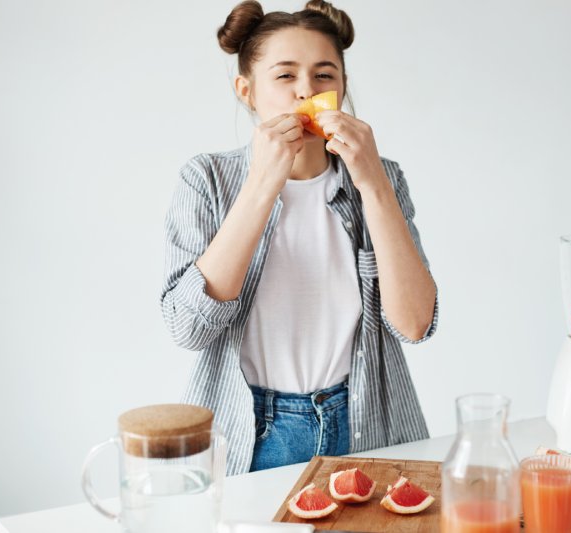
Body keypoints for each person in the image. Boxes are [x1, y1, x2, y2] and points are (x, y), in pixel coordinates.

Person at [161, 0, 439, 475]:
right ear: (247, 91)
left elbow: (415, 324)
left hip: (366, 424)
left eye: (324, 75)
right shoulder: (205, 179)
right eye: (285, 76)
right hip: (253, 432)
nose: (306, 92)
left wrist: (372, 182)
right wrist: (262, 185)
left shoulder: (382, 177)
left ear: (343, 86)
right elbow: (187, 328)